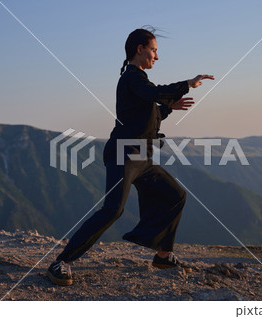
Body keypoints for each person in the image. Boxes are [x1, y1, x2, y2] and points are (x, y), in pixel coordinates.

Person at [47, 26, 214, 286]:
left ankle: (163, 255)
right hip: (123, 155)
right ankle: (61, 262)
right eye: (154, 51)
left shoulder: (138, 82)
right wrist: (186, 84)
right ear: (140, 49)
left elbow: (149, 115)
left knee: (175, 195)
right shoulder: (132, 78)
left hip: (142, 158)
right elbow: (152, 93)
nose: (156, 57)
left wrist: (169, 107)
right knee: (112, 210)